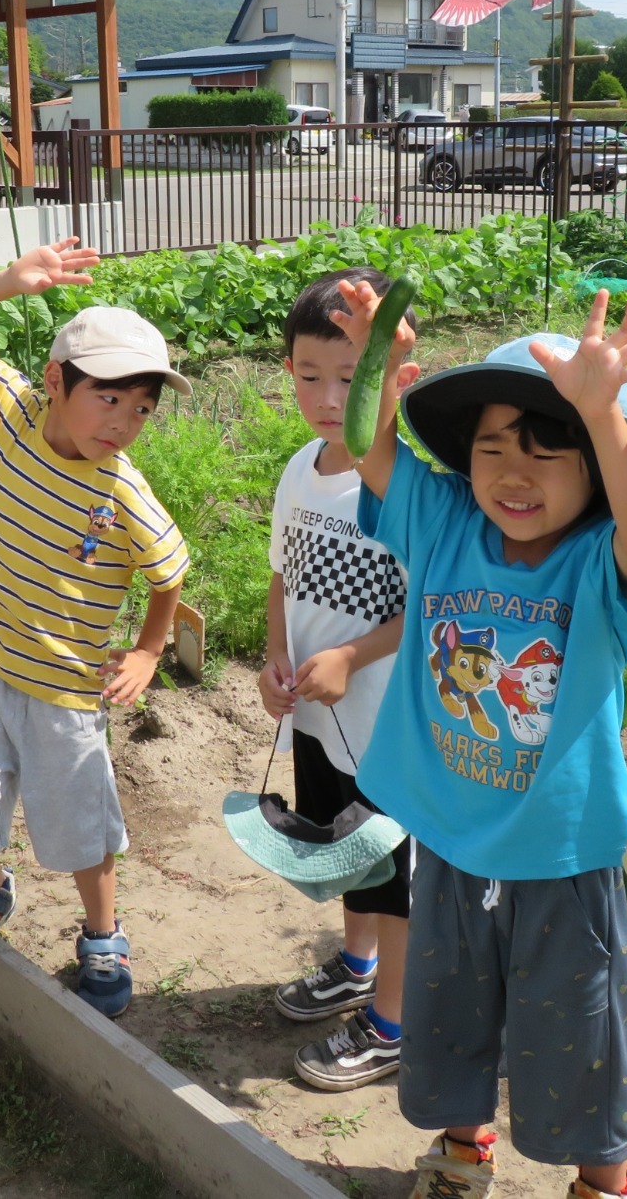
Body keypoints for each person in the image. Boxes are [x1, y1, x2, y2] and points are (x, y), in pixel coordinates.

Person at [333, 279, 627, 1199]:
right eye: (491, 448)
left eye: (547, 451)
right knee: (451, 1013)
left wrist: (604, 418)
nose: (513, 475)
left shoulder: (601, 564)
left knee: (581, 1029)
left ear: (596, 473)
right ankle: (460, 1151)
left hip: (561, 856)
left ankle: (606, 1181)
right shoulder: (445, 523)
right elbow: (369, 447)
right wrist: (373, 369)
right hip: (450, 835)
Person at [0, 237, 190, 1018]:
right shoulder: (2, 409)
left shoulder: (121, 491)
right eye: (108, 397)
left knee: (76, 824)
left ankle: (102, 935)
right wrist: (12, 279)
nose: (124, 421)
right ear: (55, 381)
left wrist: (147, 648)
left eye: (142, 407)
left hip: (66, 690)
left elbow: (168, 572)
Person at [261, 268, 417, 1091]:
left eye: (352, 379)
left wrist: (352, 658)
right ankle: (354, 965)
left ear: (394, 377)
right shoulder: (300, 470)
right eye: (311, 376)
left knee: (392, 875)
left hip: (385, 722)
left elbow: (430, 606)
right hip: (318, 717)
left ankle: (392, 1018)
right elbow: (283, 574)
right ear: (287, 369)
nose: (329, 398)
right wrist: (271, 656)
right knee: (340, 844)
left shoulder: (402, 489)